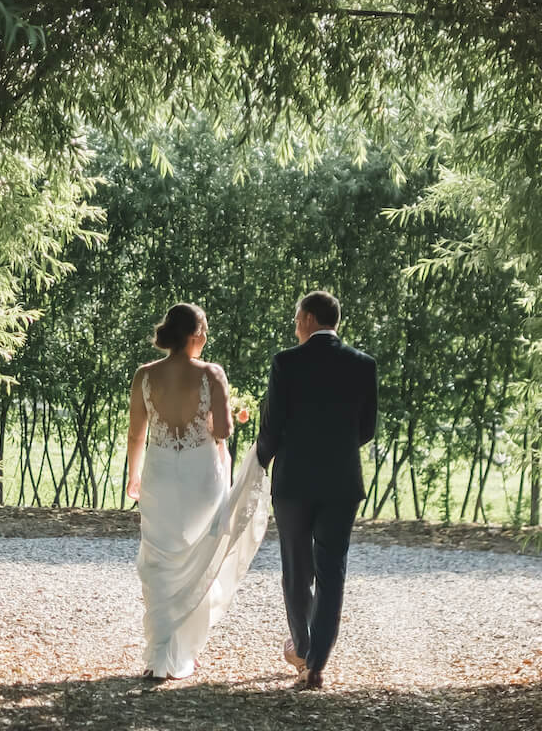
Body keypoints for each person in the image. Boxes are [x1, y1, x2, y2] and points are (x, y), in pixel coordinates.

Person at [125, 302, 271, 681]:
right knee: (200, 553)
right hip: (201, 475)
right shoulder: (211, 374)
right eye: (204, 331)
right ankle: (183, 647)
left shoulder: (144, 375)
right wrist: (228, 415)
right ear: (194, 335)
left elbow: (136, 434)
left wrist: (134, 475)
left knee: (159, 557)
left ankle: (160, 652)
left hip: (159, 472)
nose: (205, 338)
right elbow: (222, 431)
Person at [253, 289, 378, 690]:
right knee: (331, 571)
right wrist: (336, 448)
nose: (296, 328)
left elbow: (272, 424)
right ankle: (318, 662)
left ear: (308, 319)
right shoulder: (363, 364)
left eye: (296, 320)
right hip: (341, 481)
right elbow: (366, 429)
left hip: (294, 482)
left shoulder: (286, 362)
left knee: (296, 568)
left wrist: (259, 461)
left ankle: (303, 649)